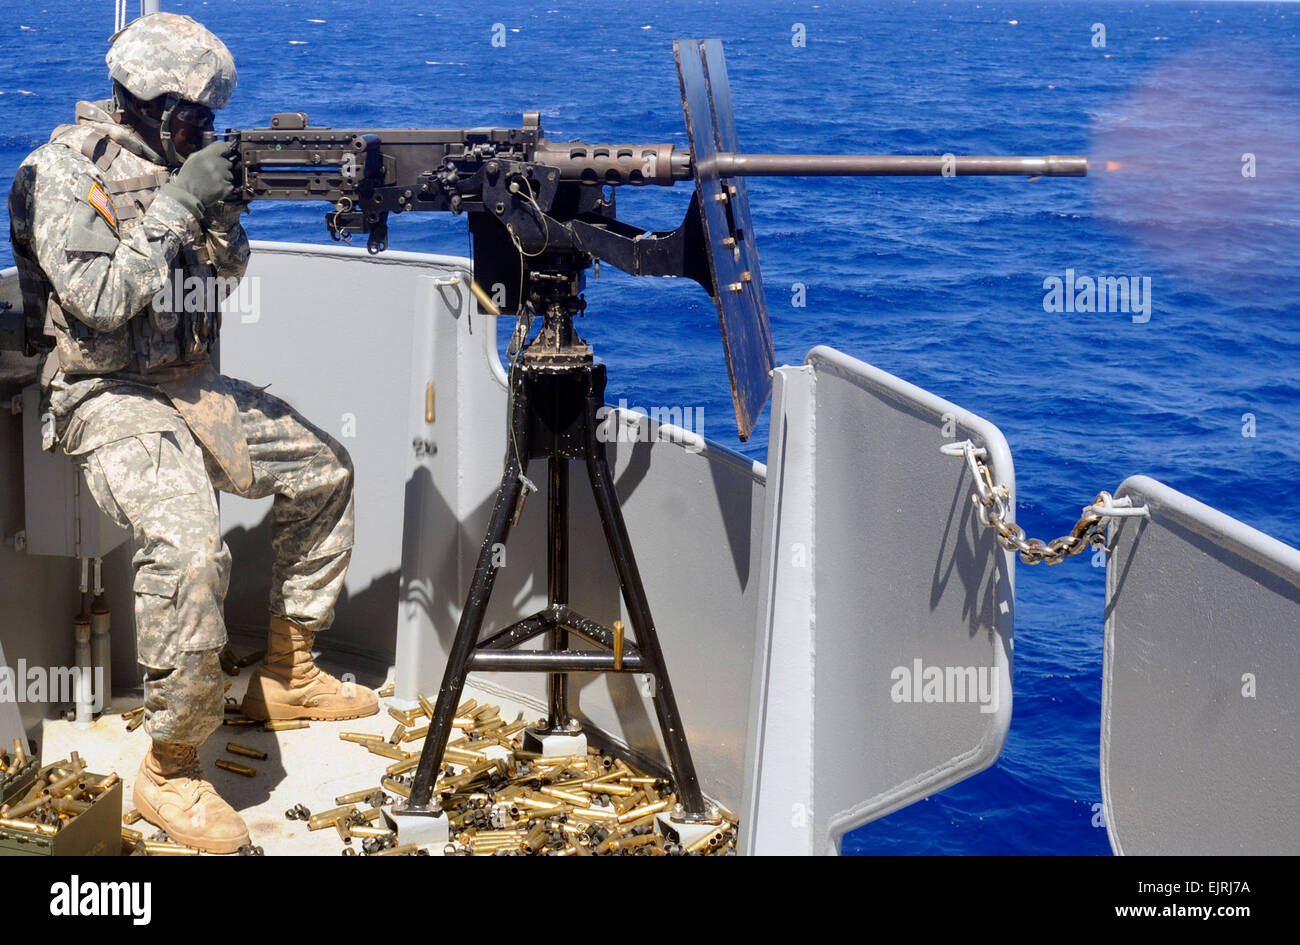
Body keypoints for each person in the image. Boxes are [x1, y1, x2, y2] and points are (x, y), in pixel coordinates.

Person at [7, 12, 378, 854]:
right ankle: (170, 768)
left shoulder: (177, 166)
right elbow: (100, 300)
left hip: (187, 386)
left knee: (326, 470)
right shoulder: (66, 173)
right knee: (188, 546)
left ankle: (288, 674)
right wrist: (179, 203)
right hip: (106, 396)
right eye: (192, 120)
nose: (203, 133)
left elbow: (225, 274)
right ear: (144, 103)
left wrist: (217, 207)